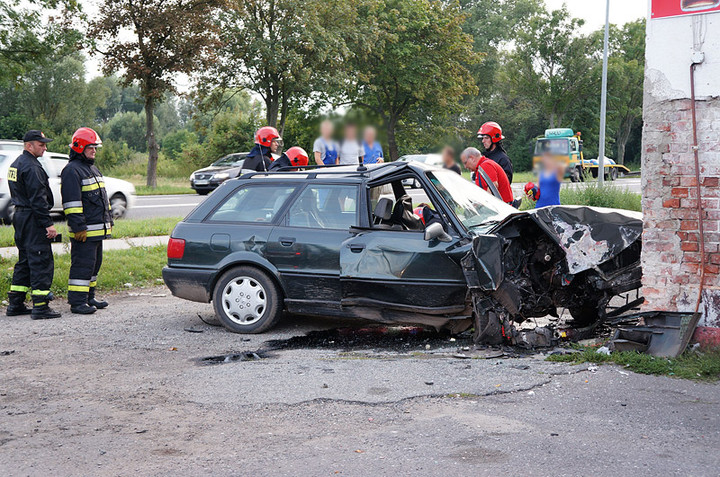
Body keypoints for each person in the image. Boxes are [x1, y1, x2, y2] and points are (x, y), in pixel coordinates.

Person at [6, 130, 60, 319]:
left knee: (25, 260)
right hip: (32, 219)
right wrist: (48, 224)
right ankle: (41, 306)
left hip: (20, 217)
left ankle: (16, 303)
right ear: (29, 145)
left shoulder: (16, 164)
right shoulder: (32, 167)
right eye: (41, 144)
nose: (45, 148)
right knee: (40, 260)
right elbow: (38, 199)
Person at [61, 127, 114, 314]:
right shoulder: (71, 171)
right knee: (82, 266)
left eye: (95, 147)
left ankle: (89, 297)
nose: (94, 151)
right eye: (91, 147)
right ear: (80, 148)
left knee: (94, 265)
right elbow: (72, 204)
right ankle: (77, 302)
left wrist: (109, 222)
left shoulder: (92, 168)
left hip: (97, 231)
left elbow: (102, 199)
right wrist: (78, 228)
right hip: (84, 231)